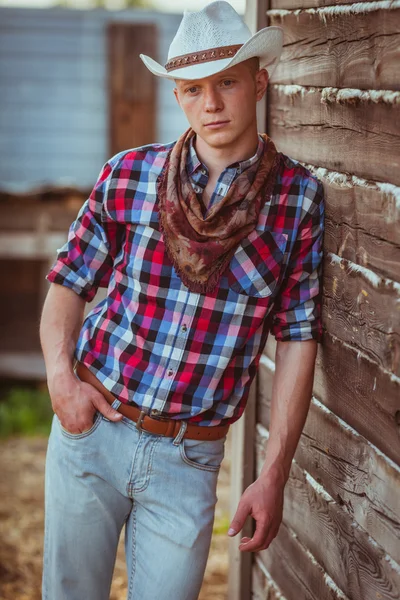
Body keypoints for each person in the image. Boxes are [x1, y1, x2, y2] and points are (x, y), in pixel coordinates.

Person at [40, 2, 324, 599]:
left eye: (226, 82)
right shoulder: (128, 175)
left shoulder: (298, 200)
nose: (212, 104)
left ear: (259, 82)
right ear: (178, 96)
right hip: (95, 432)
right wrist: (62, 385)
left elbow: (298, 336)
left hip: (188, 460)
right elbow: (68, 282)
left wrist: (273, 473)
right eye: (194, 89)